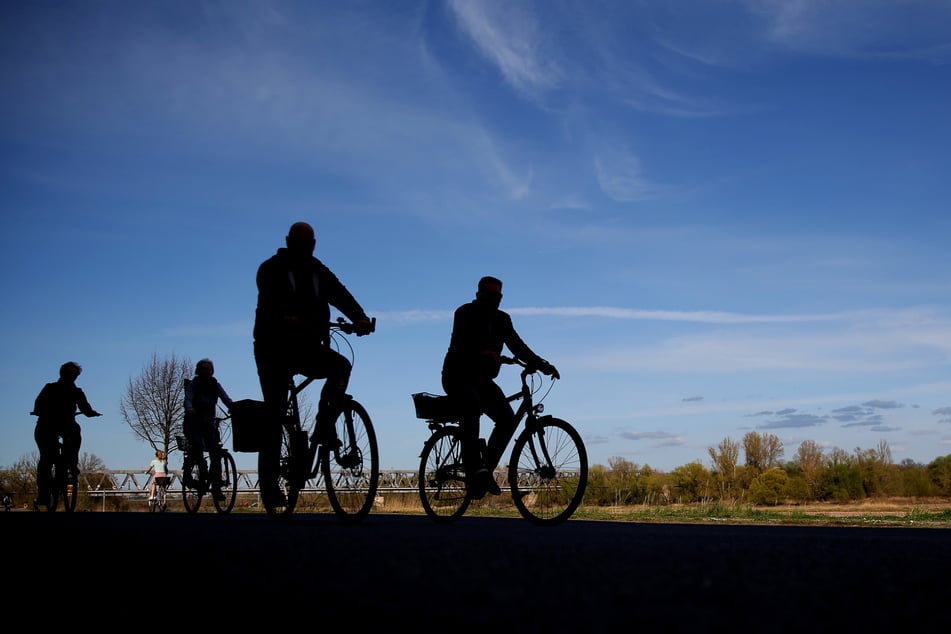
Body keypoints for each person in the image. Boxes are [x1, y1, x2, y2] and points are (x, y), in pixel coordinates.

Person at [253, 221, 373, 506]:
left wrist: (360, 317)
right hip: (274, 349)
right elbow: (268, 300)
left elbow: (340, 293)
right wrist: (284, 317)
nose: (307, 247)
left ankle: (325, 422)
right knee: (275, 411)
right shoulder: (272, 269)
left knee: (341, 366)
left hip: (307, 346)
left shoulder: (318, 270)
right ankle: (270, 487)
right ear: (289, 240)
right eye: (301, 241)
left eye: (310, 242)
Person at [442, 276, 559, 498]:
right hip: (456, 375)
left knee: (507, 419)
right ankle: (474, 468)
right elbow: (460, 344)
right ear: (479, 295)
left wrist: (542, 364)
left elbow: (517, 345)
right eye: (489, 295)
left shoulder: (502, 319)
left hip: (481, 380)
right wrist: (483, 353)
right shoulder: (464, 313)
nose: (494, 300)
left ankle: (484, 470)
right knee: (472, 404)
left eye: (498, 296)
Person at [31, 361, 102, 507]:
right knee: (75, 434)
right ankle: (72, 462)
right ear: (75, 377)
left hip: (46, 425)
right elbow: (86, 409)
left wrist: (39, 411)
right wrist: (92, 413)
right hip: (65, 425)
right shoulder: (76, 391)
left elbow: (38, 404)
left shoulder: (49, 388)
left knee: (45, 458)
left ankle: (43, 493)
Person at [183, 358, 233, 500]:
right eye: (204, 369)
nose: (207, 371)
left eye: (209, 369)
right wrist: (190, 409)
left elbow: (225, 399)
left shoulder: (214, 385)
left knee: (216, 451)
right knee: (197, 445)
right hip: (193, 422)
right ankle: (197, 474)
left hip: (208, 423)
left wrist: (234, 408)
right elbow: (188, 399)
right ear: (199, 371)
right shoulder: (194, 384)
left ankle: (216, 486)